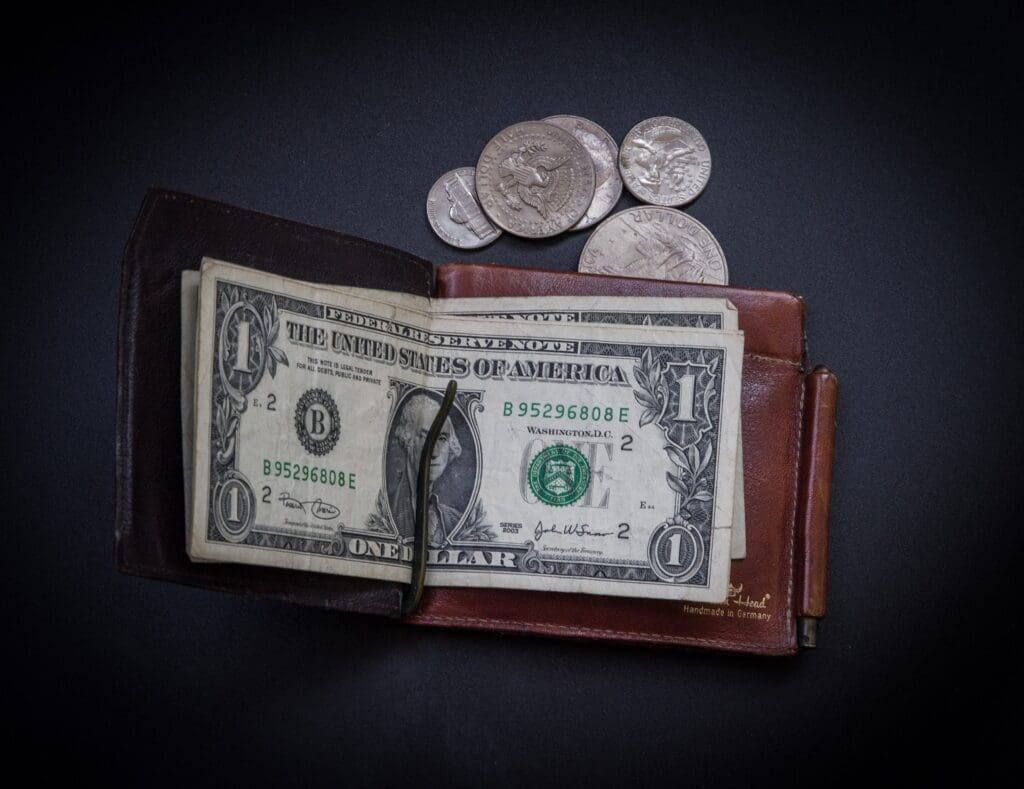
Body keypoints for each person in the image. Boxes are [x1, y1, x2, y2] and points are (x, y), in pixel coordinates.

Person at [387, 393, 463, 547]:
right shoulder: (389, 508)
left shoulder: (454, 520)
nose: (434, 453)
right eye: (424, 437)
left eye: (442, 439)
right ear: (407, 439)